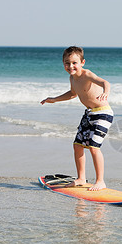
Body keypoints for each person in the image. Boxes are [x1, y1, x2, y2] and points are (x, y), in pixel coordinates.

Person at [41, 46, 113, 191]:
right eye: (67, 63)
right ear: (63, 64)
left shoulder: (87, 74)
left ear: (82, 62)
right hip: (89, 114)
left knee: (93, 147)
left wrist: (106, 92)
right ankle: (80, 178)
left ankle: (100, 181)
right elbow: (73, 94)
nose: (71, 66)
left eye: (74, 63)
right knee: (77, 146)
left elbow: (105, 82)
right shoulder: (72, 78)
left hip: (103, 114)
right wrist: (54, 100)